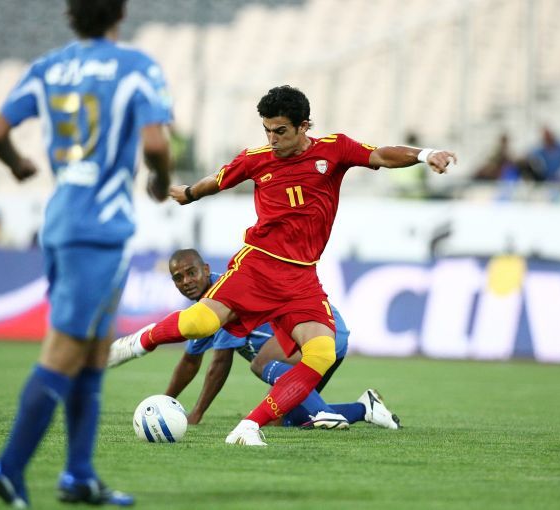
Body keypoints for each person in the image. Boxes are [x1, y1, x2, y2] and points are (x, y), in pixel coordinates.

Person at [110, 85, 453, 446]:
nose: (272, 139)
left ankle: (248, 427)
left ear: (304, 126)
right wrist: (190, 193)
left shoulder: (334, 149)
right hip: (258, 265)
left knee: (321, 352)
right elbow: (219, 180)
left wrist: (425, 154)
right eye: (267, 130)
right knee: (201, 323)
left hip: (301, 277)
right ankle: (138, 342)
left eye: (280, 131)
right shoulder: (256, 159)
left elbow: (381, 155)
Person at [0, 0, 173, 507]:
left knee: (93, 352)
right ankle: (7, 468)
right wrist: (160, 180)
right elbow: (156, 144)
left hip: (62, 219)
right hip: (99, 229)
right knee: (65, 351)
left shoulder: (49, 67)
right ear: (120, 14)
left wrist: (18, 164)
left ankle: (79, 476)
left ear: (71, 16)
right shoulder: (136, 67)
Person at [109, 249, 399, 430]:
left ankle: (322, 410)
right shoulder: (203, 311)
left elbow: (219, 364)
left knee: (261, 363)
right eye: (178, 278)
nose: (186, 281)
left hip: (319, 331)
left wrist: (196, 413)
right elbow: (190, 362)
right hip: (310, 346)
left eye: (191, 273)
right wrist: (166, 400)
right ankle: (366, 408)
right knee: (284, 420)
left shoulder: (225, 296)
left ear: (206, 270)